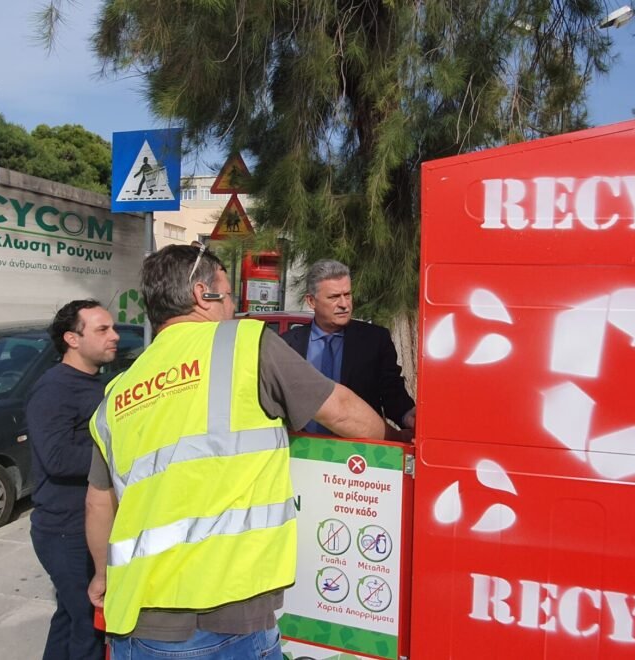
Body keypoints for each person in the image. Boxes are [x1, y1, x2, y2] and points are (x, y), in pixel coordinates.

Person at [86, 242, 409, 659]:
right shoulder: (243, 342)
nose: (234, 304)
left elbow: (98, 503)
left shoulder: (119, 390)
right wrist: (397, 445)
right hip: (224, 620)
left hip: (133, 624)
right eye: (227, 290)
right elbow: (345, 412)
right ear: (204, 295)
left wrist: (100, 576)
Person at [27, 299, 120, 660]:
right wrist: (123, 456)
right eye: (102, 330)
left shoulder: (96, 382)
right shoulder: (54, 388)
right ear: (72, 339)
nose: (114, 336)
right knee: (91, 626)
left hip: (85, 525)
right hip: (66, 531)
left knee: (70, 617)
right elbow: (57, 458)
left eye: (111, 327)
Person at [280, 260, 416, 434]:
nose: (344, 304)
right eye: (334, 297)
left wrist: (407, 415)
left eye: (348, 295)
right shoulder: (288, 345)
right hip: (302, 451)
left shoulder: (374, 340)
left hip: (356, 453)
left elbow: (392, 392)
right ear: (311, 301)